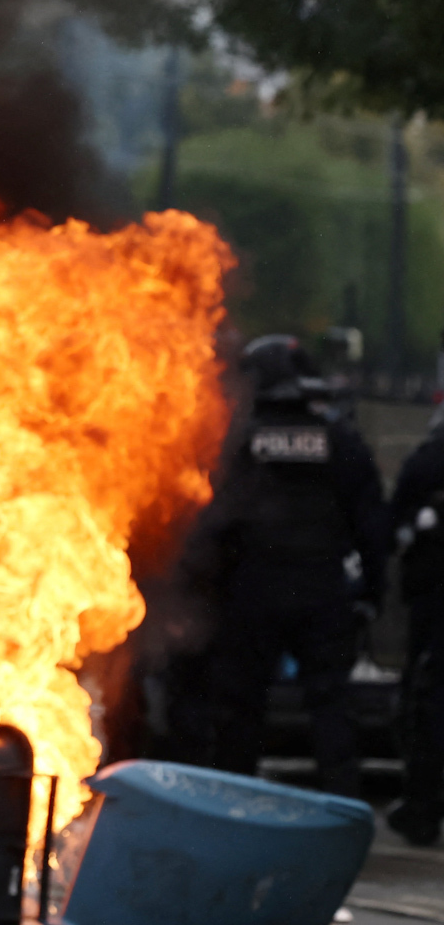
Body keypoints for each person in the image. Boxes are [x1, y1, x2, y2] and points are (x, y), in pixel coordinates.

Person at [173, 334, 387, 797]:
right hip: (322, 591)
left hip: (253, 595)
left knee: (240, 710)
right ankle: (343, 805)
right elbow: (372, 526)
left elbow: (209, 528)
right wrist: (371, 592)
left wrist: (202, 595)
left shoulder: (234, 446)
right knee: (331, 706)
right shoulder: (341, 442)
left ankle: (232, 804)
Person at [387, 408, 444, 844]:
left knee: (429, 704)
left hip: (433, 602)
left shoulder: (429, 460)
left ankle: (422, 810)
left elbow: (389, 523)